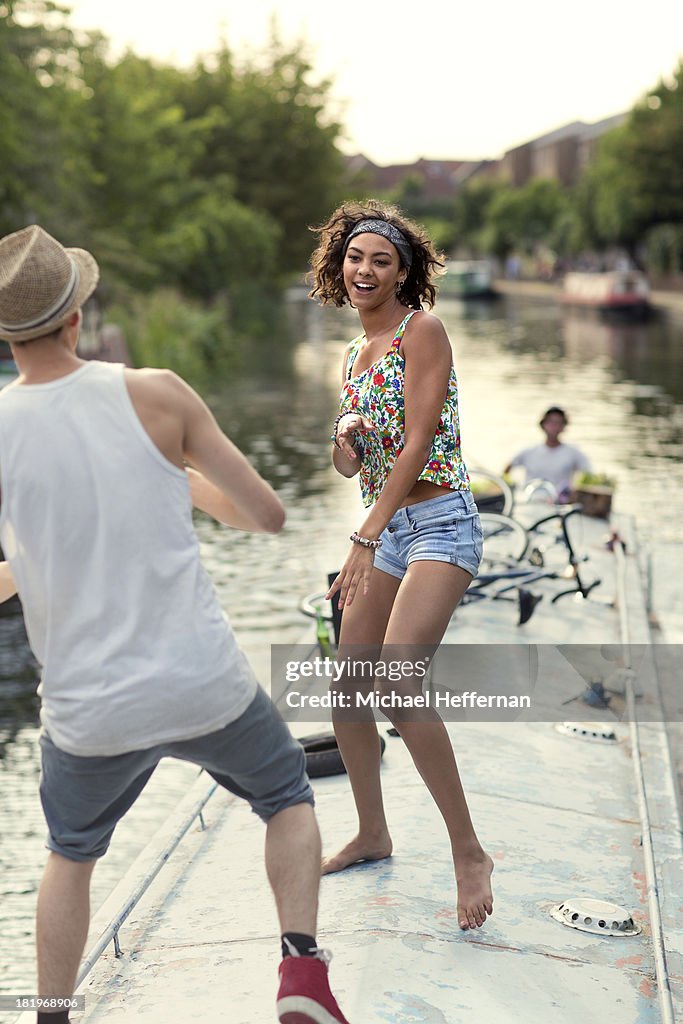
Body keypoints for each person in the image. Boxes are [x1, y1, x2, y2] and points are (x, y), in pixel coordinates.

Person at [0, 225, 350, 1024]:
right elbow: (267, 515)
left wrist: (33, 565)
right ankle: (300, 973)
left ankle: (51, 1014)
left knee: (70, 857)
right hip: (203, 686)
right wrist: (185, 482)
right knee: (286, 795)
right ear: (77, 316)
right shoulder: (156, 392)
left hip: (88, 712)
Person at [308, 201, 494, 931]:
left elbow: (418, 442)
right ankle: (372, 830)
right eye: (355, 258)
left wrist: (360, 539)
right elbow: (347, 460)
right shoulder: (352, 355)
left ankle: (467, 850)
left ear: (403, 272)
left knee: (396, 679)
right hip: (385, 529)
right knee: (348, 686)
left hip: (439, 522)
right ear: (339, 266)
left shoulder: (423, 331)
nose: (365, 270)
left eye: (380, 261)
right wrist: (345, 443)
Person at [504, 406, 591, 502]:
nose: (554, 427)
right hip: (529, 502)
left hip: (559, 503)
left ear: (563, 426)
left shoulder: (574, 453)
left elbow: (588, 476)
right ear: (543, 425)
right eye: (550, 422)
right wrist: (508, 487)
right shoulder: (529, 451)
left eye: (558, 423)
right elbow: (508, 468)